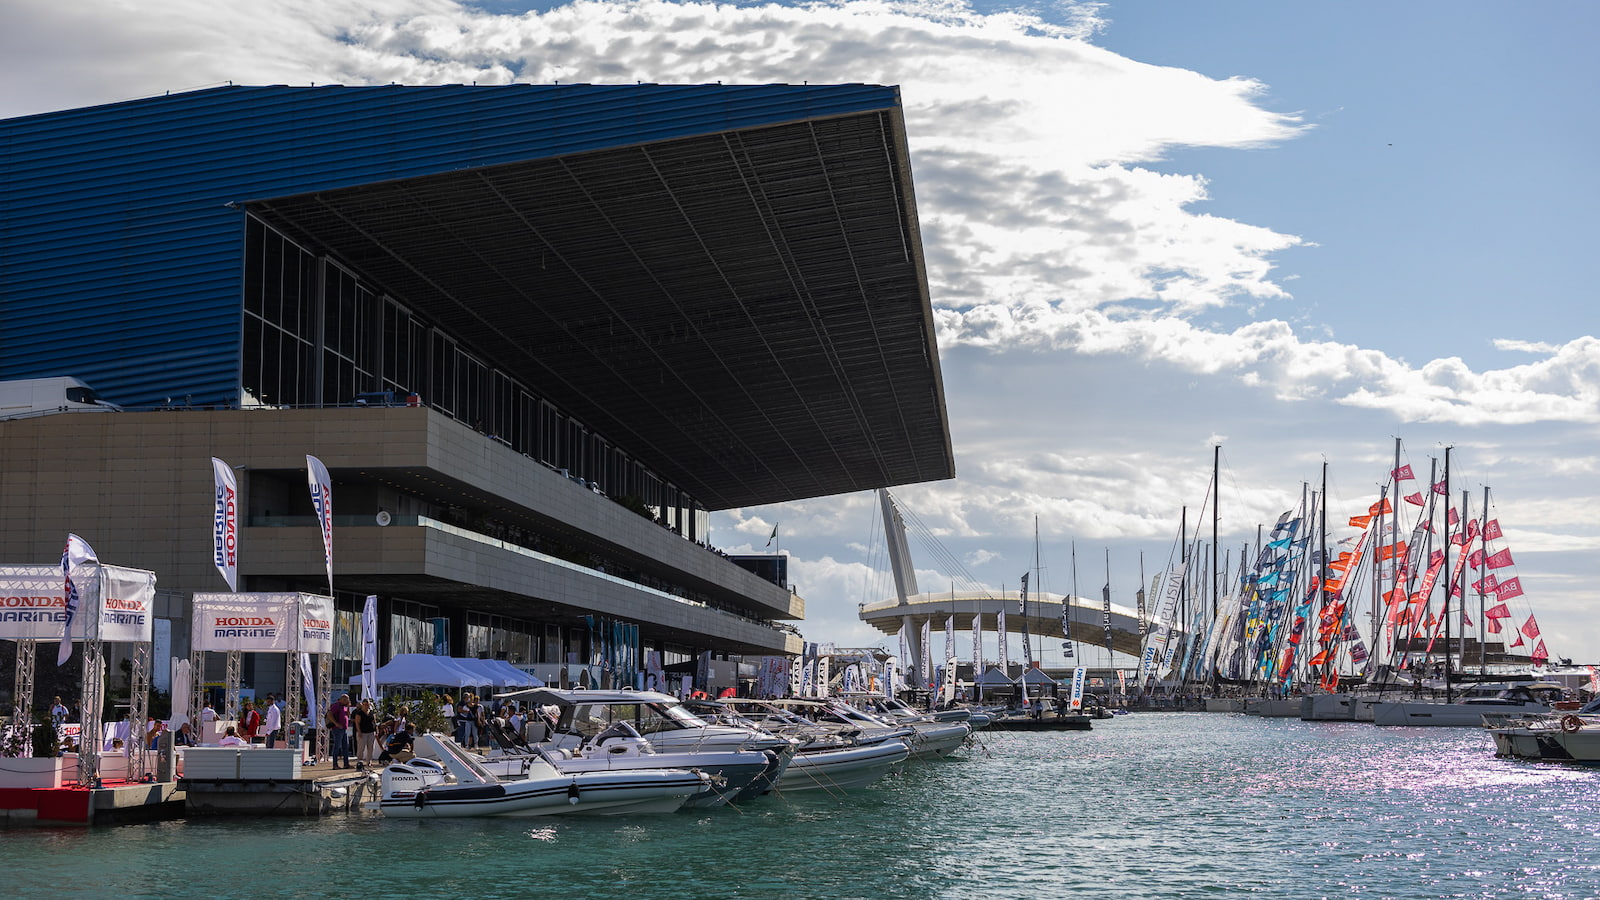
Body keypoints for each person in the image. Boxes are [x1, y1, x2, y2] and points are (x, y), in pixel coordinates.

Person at [326, 693, 352, 768]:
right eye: (344, 699)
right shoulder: (336, 705)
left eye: (346, 699)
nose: (345, 701)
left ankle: (346, 764)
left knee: (345, 746)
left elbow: (347, 715)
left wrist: (348, 707)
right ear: (340, 699)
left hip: (344, 729)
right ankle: (335, 764)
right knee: (337, 746)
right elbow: (329, 714)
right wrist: (336, 723)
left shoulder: (344, 707)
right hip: (338, 729)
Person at [352, 698, 378, 767]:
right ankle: (359, 761)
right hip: (362, 732)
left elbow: (374, 721)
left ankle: (369, 761)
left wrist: (376, 729)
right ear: (362, 705)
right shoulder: (359, 713)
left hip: (371, 732)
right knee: (361, 748)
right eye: (364, 704)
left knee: (371, 747)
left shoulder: (372, 712)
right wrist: (359, 731)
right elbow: (357, 723)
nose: (366, 706)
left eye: (367, 704)